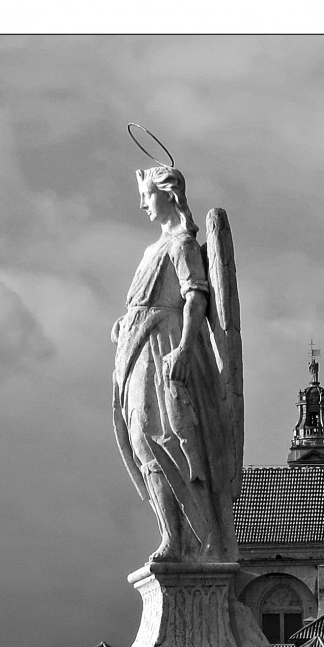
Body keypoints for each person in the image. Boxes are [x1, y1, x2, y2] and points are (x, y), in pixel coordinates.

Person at [112, 165, 238, 563]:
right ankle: (170, 534)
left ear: (167, 193)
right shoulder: (152, 249)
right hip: (138, 349)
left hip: (165, 348)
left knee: (168, 440)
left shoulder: (181, 244)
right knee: (140, 439)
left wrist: (183, 348)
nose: (142, 203)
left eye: (147, 195)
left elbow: (196, 298)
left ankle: (195, 539)